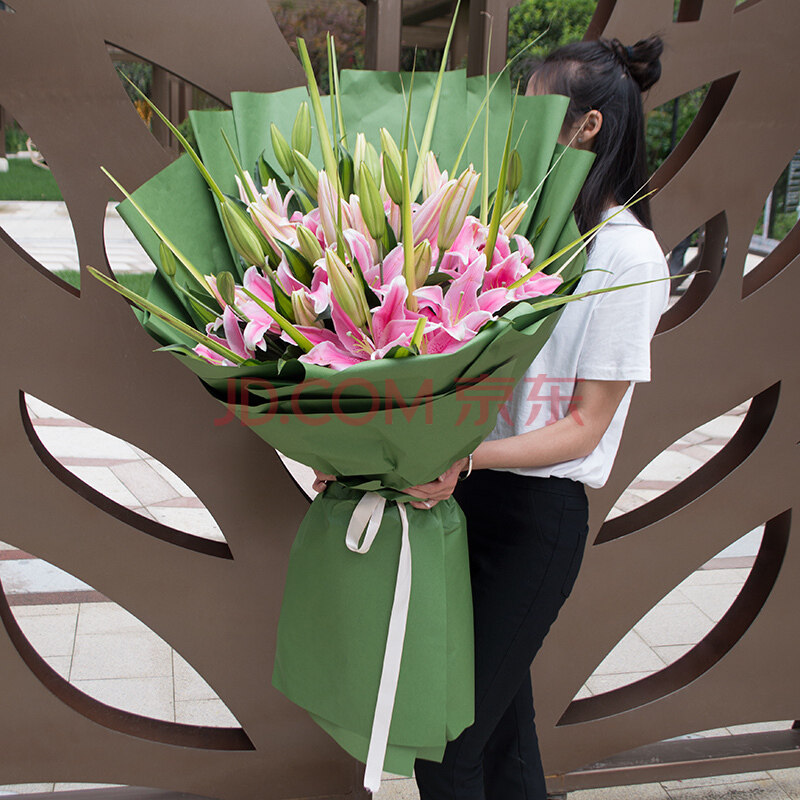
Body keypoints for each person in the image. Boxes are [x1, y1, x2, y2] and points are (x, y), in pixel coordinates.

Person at [405, 34, 670, 800]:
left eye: (530, 109)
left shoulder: (628, 257)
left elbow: (586, 425)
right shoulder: (522, 235)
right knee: (503, 744)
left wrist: (470, 459)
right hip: (464, 507)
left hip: (535, 521)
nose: (512, 125)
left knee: (448, 742)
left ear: (584, 125)